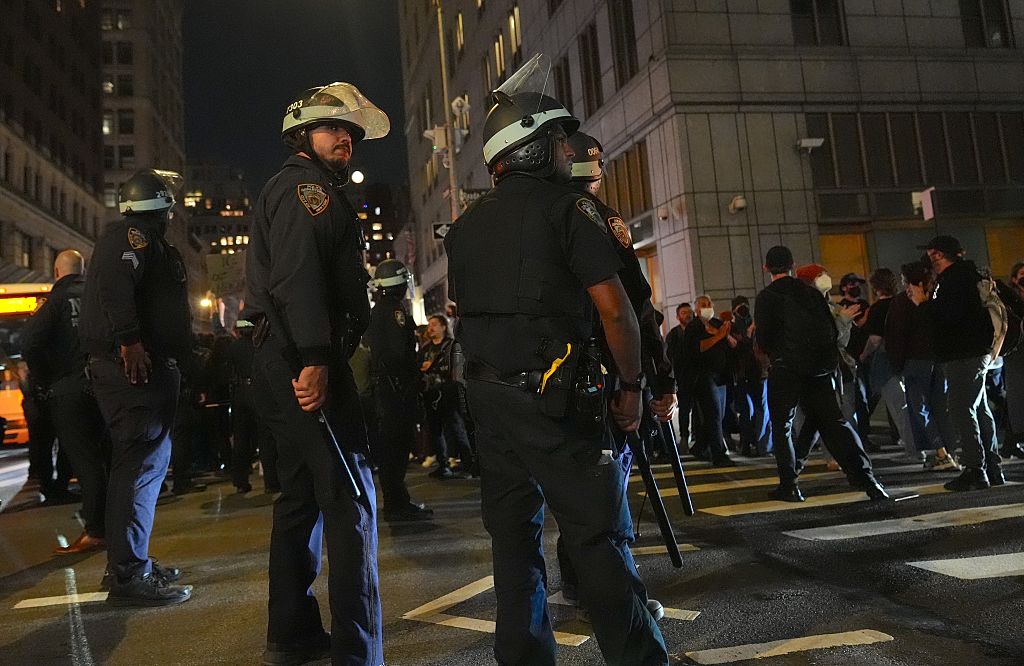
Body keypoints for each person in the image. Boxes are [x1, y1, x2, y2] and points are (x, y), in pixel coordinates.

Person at [444, 62, 668, 666]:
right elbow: (618, 313)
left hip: (490, 402)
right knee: (598, 539)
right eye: (561, 140)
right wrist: (632, 384)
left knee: (513, 545)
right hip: (556, 398)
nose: (569, 149)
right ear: (538, 146)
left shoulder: (464, 228)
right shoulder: (570, 209)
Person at [244, 82, 387, 665]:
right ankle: (360, 653)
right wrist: (316, 360)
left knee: (300, 497)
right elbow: (298, 279)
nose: (345, 138)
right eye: (332, 128)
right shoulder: (307, 190)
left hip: (282, 358)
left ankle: (293, 634)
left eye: (350, 131)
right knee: (351, 496)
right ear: (302, 135)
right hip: (303, 359)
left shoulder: (298, 187)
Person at [556, 129, 674, 622]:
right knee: (608, 494)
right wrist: (655, 379)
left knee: (576, 491)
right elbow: (636, 310)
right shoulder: (597, 220)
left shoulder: (536, 216)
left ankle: (576, 582)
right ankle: (612, 595)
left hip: (553, 379)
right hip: (607, 377)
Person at [80, 168, 192, 605]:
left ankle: (129, 563)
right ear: (162, 208)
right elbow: (115, 290)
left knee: (144, 467)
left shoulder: (138, 239)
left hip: (145, 371)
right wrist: (130, 341)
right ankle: (128, 574)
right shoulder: (130, 239)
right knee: (139, 467)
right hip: (133, 374)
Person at [754, 246, 887, 502]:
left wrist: (777, 356)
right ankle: (868, 480)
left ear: (766, 268)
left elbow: (764, 337)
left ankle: (790, 485)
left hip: (785, 369)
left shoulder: (767, 297)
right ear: (792, 264)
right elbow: (831, 330)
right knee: (835, 422)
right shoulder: (811, 293)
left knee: (782, 426)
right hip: (818, 370)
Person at [21, 250, 109, 553]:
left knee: (85, 461)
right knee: (106, 457)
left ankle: (97, 530)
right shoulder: (99, 296)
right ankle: (116, 524)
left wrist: (46, 379)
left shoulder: (55, 302)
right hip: (105, 387)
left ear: (57, 272)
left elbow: (29, 342)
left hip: (69, 390)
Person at [920, 235, 1001, 491]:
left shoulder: (954, 280)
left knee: (961, 409)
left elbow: (950, 316)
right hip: (974, 352)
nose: (930, 260)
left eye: (932, 255)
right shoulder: (968, 275)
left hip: (962, 353)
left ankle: (975, 469)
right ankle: (991, 466)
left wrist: (924, 304)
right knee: (978, 409)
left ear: (939, 255)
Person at [365, 259, 435, 519]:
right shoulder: (394, 311)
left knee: (390, 448)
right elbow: (398, 355)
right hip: (396, 390)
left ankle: (396, 500)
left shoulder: (378, 310)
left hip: (386, 389)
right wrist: (414, 376)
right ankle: (396, 503)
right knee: (396, 447)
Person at [888, 261, 959, 470]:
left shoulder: (903, 302)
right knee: (941, 408)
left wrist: (897, 364)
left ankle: (941, 453)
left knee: (920, 409)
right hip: (939, 360)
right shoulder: (938, 299)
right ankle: (949, 451)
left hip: (915, 361)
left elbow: (897, 336)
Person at [859, 268, 918, 461]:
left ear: (876, 287)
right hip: (907, 358)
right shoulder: (904, 303)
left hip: (886, 361)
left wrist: (863, 354)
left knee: (898, 408)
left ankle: (913, 450)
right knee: (910, 406)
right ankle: (918, 445)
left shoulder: (877, 309)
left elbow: (875, 340)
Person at [418, 314, 474, 479]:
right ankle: (443, 465)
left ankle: (468, 465)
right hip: (431, 393)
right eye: (430, 325)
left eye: (434, 324)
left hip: (448, 393)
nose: (431, 328)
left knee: (457, 428)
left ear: (443, 326)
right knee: (435, 430)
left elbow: (457, 368)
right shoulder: (425, 348)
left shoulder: (450, 346)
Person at [227, 319, 280, 493]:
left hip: (240, 392)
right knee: (265, 437)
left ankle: (240, 481)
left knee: (241, 438)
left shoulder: (233, 347)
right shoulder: (260, 345)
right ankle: (271, 482)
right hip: (259, 389)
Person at [684, 295, 736, 466]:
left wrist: (725, 335)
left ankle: (700, 447)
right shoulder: (694, 327)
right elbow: (697, 348)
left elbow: (733, 345)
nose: (707, 307)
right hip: (703, 376)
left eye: (709, 304)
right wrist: (719, 336)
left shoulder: (716, 324)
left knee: (717, 415)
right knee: (713, 414)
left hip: (721, 376)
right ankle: (719, 454)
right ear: (697, 309)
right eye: (703, 305)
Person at [666, 303, 696, 449]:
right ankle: (684, 436)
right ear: (678, 317)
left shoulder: (699, 330)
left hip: (698, 377)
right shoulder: (674, 335)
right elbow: (670, 358)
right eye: (684, 313)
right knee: (684, 409)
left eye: (690, 312)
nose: (688, 315)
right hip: (682, 378)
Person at [1002, 260, 1024, 458]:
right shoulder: (1011, 300)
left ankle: (1011, 441)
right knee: (1017, 398)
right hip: (1017, 352)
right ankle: (1012, 439)